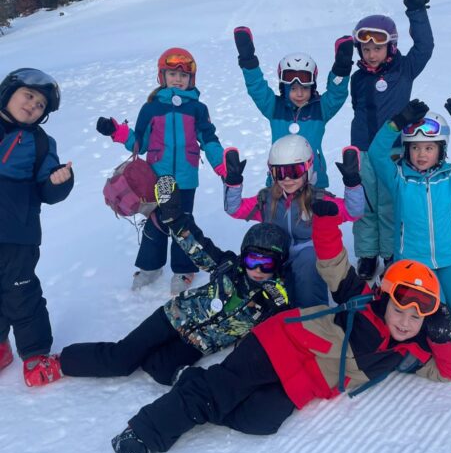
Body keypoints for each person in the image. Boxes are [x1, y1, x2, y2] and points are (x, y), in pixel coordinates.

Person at [109, 198, 451, 453]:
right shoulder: (362, 302)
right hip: (280, 344)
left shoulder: (407, 351)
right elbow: (333, 262)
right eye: (399, 309)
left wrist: (443, 338)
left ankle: (194, 384)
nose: (405, 322)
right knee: (219, 393)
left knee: (261, 422)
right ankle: (142, 434)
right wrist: (326, 222)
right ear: (385, 297)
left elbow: (447, 373)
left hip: (302, 385)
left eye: (416, 318)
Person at [54, 178, 291, 388]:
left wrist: (279, 307)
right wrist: (175, 218)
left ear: (278, 264)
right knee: (122, 360)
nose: (258, 270)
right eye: (252, 260)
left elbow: (280, 330)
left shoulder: (274, 299)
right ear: (243, 256)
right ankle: (60, 363)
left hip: (198, 344)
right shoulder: (227, 266)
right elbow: (197, 246)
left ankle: (201, 386)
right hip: (174, 317)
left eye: (267, 264)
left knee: (161, 369)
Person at [96, 48, 225, 295]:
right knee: (155, 222)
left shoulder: (197, 109)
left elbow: (209, 139)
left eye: (184, 75)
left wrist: (221, 164)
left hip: (185, 178)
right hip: (156, 178)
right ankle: (150, 267)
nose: (178, 79)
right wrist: (117, 131)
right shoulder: (151, 109)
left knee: (182, 222)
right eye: (172, 74)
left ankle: (184, 269)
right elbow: (140, 143)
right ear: (162, 76)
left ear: (191, 80)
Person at [368, 97, 451, 323]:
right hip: (413, 260)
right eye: (415, 147)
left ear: (441, 149)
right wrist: (396, 123)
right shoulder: (398, 178)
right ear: (407, 149)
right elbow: (376, 153)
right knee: (433, 317)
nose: (422, 154)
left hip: (449, 256)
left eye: (429, 148)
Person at [222, 134, 364, 308]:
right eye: (280, 173)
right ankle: (258, 309)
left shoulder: (318, 200)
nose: (287, 179)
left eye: (294, 172)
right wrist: (233, 182)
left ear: (308, 169)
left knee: (308, 259)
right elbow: (235, 209)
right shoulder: (267, 200)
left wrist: (352, 183)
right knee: (256, 256)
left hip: (307, 264)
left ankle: (311, 314)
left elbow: (353, 212)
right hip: (277, 257)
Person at [350, 0, 434, 280]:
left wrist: (417, 12)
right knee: (364, 203)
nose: (371, 54)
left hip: (393, 150)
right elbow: (356, 106)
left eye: (377, 48)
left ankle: (389, 252)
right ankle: (367, 254)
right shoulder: (357, 78)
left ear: (391, 46)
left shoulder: (403, 69)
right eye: (366, 49)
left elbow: (424, 48)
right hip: (363, 148)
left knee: (388, 203)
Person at [0, 68, 74, 386]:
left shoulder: (40, 142)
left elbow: (48, 189)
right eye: (28, 95)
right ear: (7, 93)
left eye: (40, 104)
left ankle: (35, 355)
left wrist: (59, 181)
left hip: (18, 237)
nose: (33, 105)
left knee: (21, 294)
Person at [232, 26, 354, 188]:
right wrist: (248, 60)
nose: (299, 94)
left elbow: (336, 94)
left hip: (313, 181)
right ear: (284, 88)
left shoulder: (321, 109)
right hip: (281, 181)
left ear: (312, 88)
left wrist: (341, 69)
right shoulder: (274, 107)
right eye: (293, 89)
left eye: (305, 88)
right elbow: (257, 88)